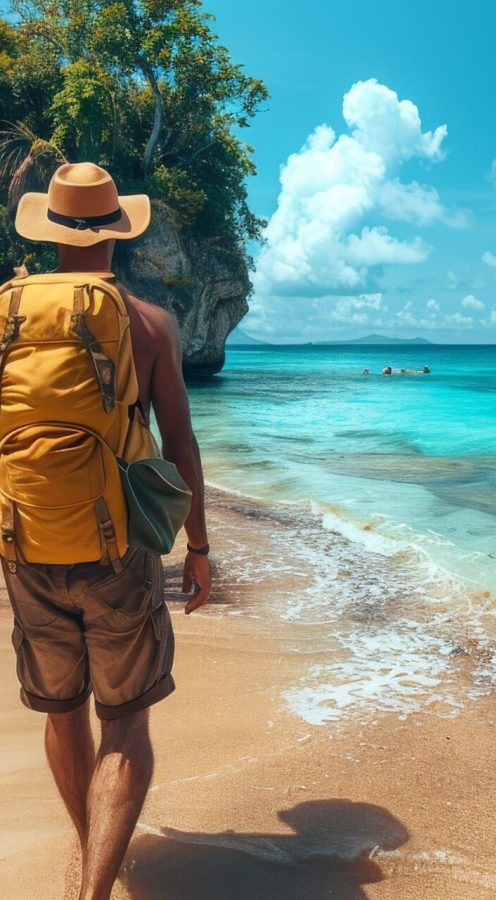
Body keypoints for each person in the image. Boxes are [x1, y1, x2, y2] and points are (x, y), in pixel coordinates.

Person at [2, 162, 212, 899]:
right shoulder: (149, 322)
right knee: (124, 725)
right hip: (118, 550)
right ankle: (94, 890)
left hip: (25, 545)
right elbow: (180, 447)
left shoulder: (6, 315)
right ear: (118, 234)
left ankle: (94, 848)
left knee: (61, 713)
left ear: (51, 231)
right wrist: (200, 547)